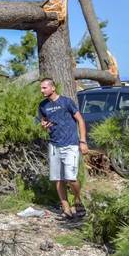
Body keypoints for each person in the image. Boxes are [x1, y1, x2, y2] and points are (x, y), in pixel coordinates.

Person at [37, 78, 89, 220]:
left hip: (70, 143)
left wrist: (83, 141)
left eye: (44, 88)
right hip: (54, 145)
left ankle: (78, 201)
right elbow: (43, 121)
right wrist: (44, 125)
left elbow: (80, 120)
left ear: (53, 88)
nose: (42, 90)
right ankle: (66, 209)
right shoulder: (43, 105)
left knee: (71, 178)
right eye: (41, 88)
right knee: (58, 179)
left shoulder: (66, 102)